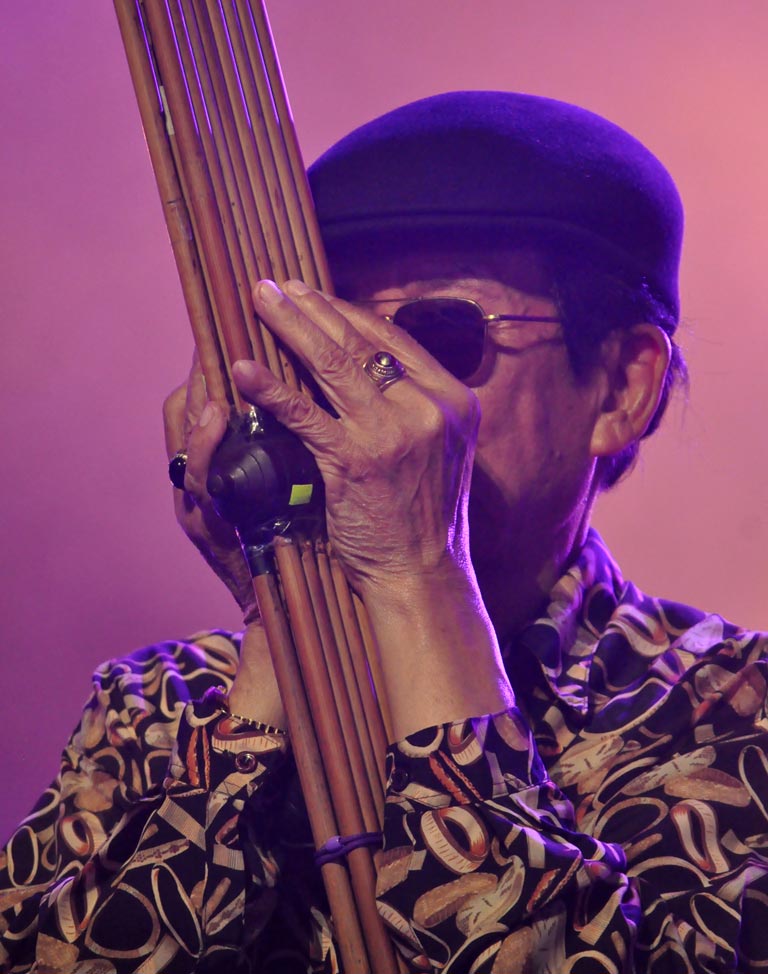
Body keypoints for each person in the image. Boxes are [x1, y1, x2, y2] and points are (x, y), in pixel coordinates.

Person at [1, 91, 765, 973]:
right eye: (327, 343)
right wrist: (280, 621)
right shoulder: (158, 705)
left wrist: (421, 578)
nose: (369, 395)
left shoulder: (735, 714)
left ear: (622, 388)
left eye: (439, 333)